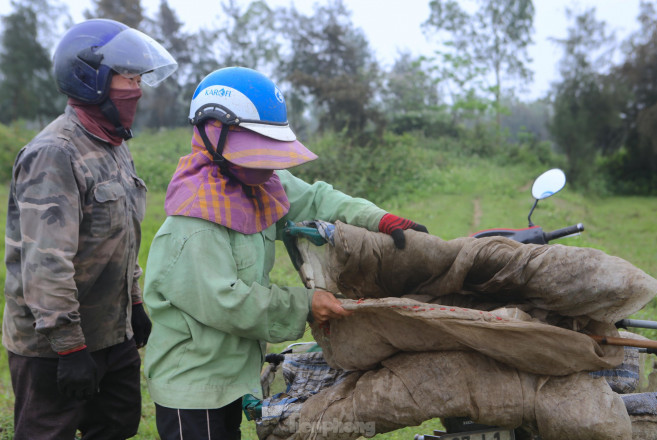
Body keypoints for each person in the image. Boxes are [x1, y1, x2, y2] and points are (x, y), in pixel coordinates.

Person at [142, 66, 428, 440]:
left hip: (230, 374)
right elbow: (229, 302)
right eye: (256, 151)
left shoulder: (257, 183)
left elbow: (315, 198)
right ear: (215, 136)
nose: (269, 165)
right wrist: (306, 303)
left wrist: (378, 218)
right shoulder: (194, 222)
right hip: (193, 386)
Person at [2, 19, 177, 440]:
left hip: (110, 331)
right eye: (127, 77)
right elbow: (45, 264)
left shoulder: (114, 147)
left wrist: (134, 304)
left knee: (116, 427)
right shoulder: (54, 154)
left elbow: (121, 239)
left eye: (139, 78)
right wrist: (70, 347)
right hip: (54, 346)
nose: (136, 88)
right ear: (91, 79)